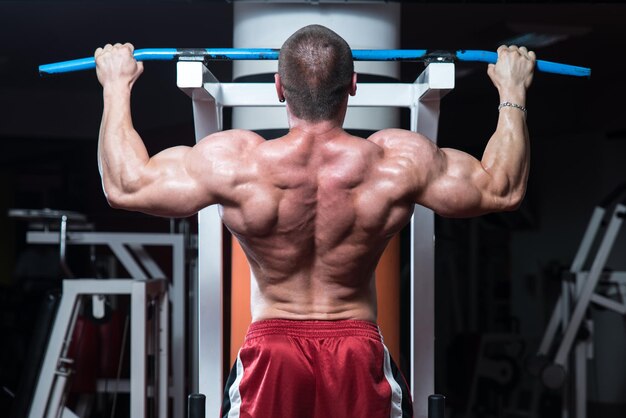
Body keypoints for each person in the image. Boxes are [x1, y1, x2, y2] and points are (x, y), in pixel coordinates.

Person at [94, 24, 535, 418]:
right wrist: (512, 91)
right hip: (356, 353)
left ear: (279, 87)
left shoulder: (236, 163)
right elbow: (503, 188)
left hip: (272, 354)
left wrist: (116, 86)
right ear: (354, 85)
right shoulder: (397, 162)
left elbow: (125, 185)